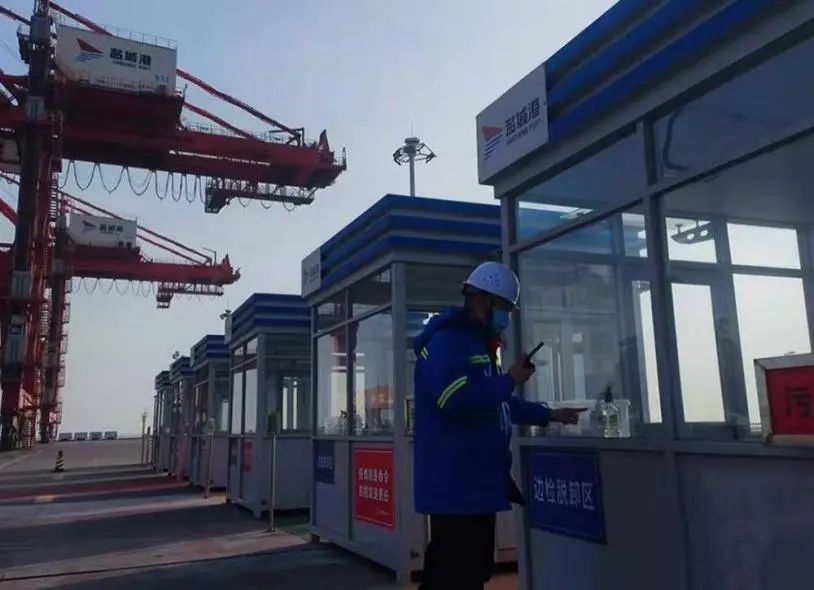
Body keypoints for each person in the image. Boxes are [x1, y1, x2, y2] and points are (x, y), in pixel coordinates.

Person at [413, 261, 585, 589]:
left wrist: (550, 414)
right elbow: (453, 398)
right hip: (456, 483)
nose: (506, 316)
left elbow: (497, 402)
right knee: (456, 574)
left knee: (467, 571)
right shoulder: (449, 342)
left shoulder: (478, 343)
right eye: (504, 306)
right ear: (483, 300)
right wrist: (509, 380)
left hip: (474, 482)